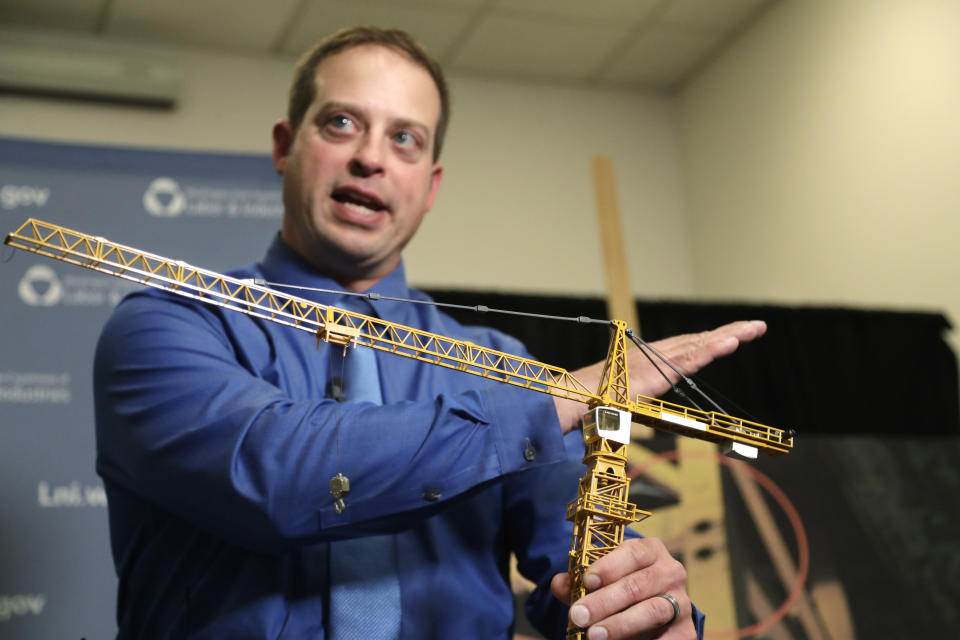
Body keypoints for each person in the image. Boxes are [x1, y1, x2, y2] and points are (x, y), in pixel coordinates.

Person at [93, 26, 767, 640]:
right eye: (341, 123)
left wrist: (649, 611)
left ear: (431, 184)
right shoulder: (167, 326)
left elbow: (583, 570)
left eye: (405, 138)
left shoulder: (501, 365)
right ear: (283, 145)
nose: (370, 159)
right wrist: (554, 401)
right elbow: (278, 474)